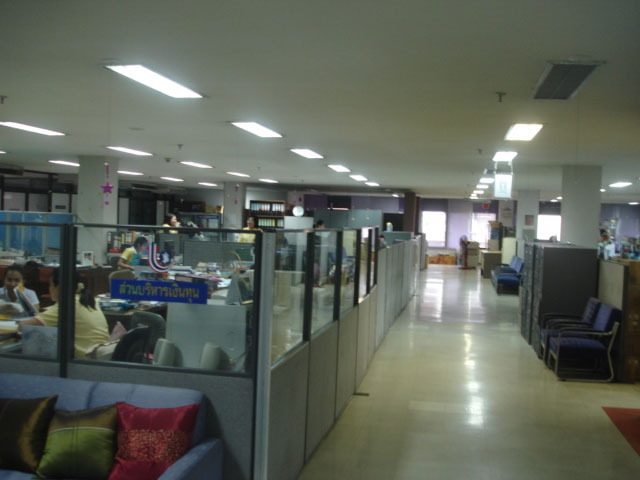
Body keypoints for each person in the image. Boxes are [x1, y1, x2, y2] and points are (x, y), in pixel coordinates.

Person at [19, 268, 109, 358]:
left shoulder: (66, 304)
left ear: (58, 287)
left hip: (83, 360)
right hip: (100, 356)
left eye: (50, 285)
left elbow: (23, 326)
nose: (49, 288)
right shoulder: (89, 300)